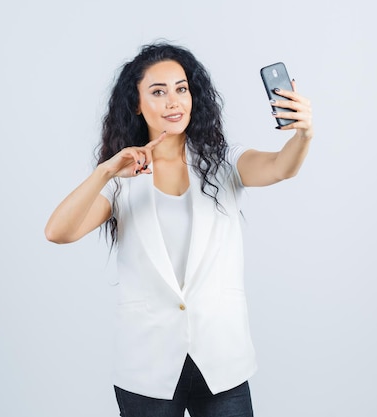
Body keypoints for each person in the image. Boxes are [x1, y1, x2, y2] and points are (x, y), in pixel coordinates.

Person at [45, 42, 313, 417]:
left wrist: (302, 135)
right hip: (148, 365)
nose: (174, 101)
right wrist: (105, 170)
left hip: (222, 360)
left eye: (181, 88)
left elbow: (281, 167)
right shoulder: (123, 176)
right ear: (136, 104)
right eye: (158, 92)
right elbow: (58, 231)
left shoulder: (223, 162)